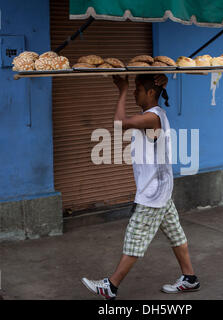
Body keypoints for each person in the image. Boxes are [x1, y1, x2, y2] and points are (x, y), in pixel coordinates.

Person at [81, 74, 199, 300]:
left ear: (151, 93)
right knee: (175, 234)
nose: (135, 93)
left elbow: (119, 123)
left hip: (153, 191)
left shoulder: (152, 117)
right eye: (133, 90)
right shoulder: (157, 115)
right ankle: (190, 278)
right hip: (161, 187)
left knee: (135, 237)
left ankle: (111, 286)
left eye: (137, 90)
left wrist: (122, 89)